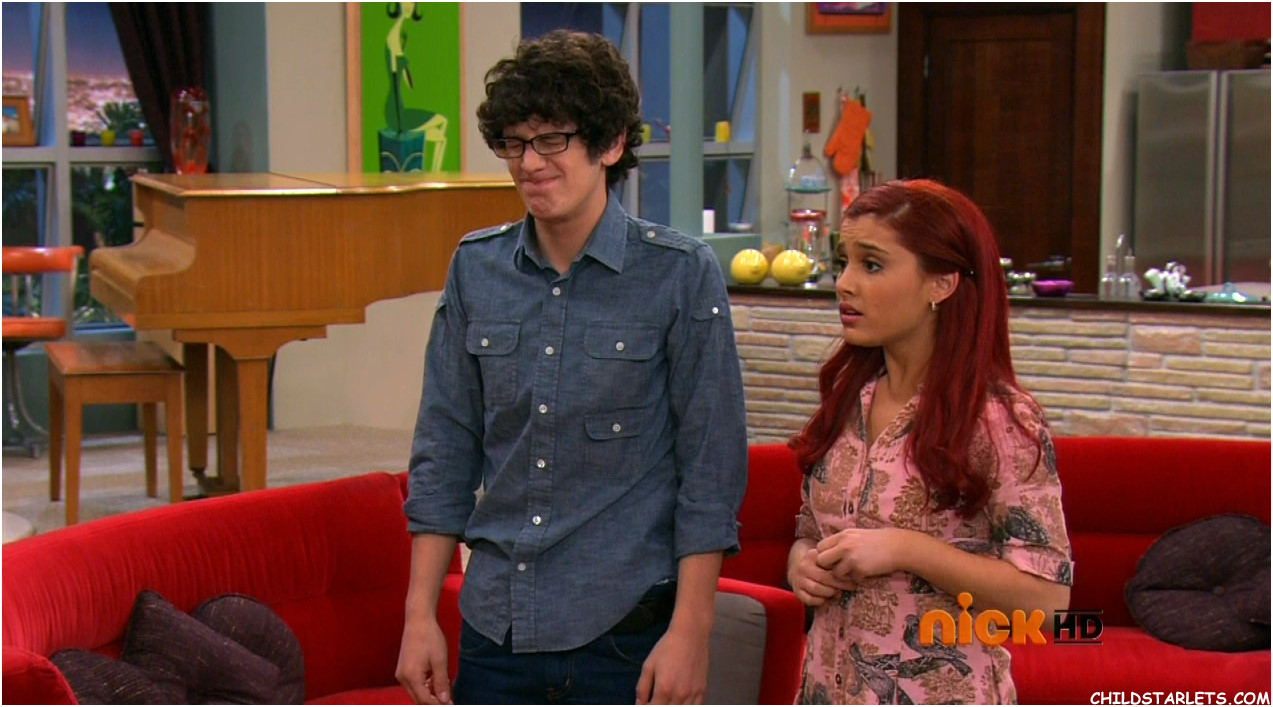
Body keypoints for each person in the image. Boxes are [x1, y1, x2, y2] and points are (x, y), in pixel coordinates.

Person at [395, 30, 748, 706]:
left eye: (551, 140)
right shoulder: (475, 268)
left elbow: (711, 471)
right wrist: (419, 617)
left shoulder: (679, 274)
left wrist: (692, 631)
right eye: (514, 143)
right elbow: (443, 452)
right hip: (495, 629)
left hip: (624, 633)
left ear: (611, 143)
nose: (529, 163)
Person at [785, 179, 1073, 704]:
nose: (844, 284)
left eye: (872, 265)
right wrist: (800, 564)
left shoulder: (999, 420)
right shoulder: (848, 401)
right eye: (844, 262)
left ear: (941, 284)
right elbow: (809, 530)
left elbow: (1048, 604)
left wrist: (908, 550)